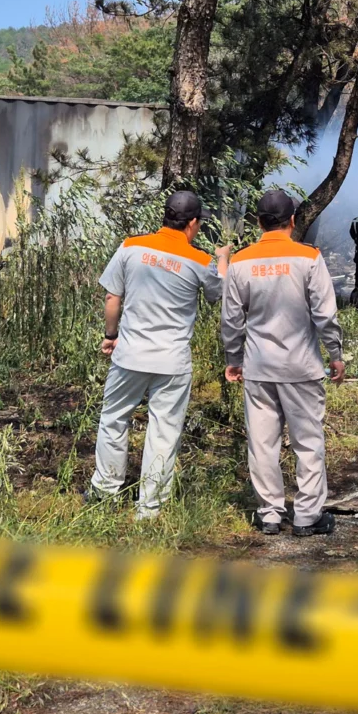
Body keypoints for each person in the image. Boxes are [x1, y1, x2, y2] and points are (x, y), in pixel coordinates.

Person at [89, 190, 231, 517]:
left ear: (165, 216)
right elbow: (218, 291)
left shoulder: (131, 246)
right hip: (172, 361)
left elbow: (113, 298)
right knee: (164, 431)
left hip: (130, 355)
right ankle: (149, 508)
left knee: (113, 420)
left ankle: (105, 492)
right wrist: (222, 257)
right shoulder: (200, 261)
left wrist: (111, 336)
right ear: (192, 223)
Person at [222, 190, 345, 537]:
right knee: (308, 441)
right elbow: (325, 313)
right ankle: (306, 516)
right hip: (301, 367)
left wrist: (234, 358)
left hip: (258, 366)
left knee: (262, 442)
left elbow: (232, 319)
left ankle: (270, 513)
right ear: (292, 221)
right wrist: (335, 354)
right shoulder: (308, 258)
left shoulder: (241, 262)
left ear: (258, 222)